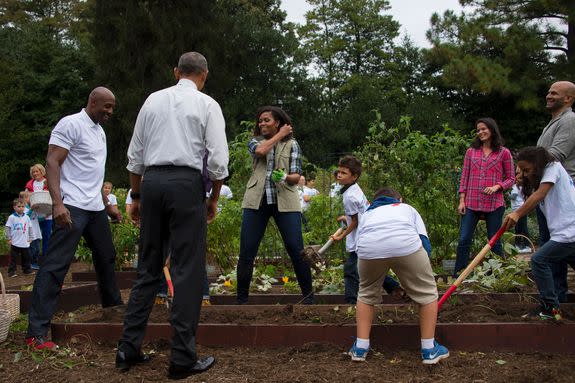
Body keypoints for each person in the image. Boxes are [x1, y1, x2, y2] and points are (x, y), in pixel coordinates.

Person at [119, 52, 228, 379]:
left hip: (151, 183)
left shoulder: (152, 101)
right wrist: (213, 198)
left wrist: (136, 196)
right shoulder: (208, 104)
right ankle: (181, 358)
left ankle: (128, 347)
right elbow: (219, 161)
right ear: (204, 75)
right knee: (187, 269)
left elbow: (135, 156)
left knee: (149, 266)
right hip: (185, 185)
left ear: (176, 71)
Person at [26, 87, 123, 351]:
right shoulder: (70, 124)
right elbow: (52, 162)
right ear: (93, 101)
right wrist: (58, 204)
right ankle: (36, 333)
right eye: (107, 106)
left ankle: (113, 312)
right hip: (71, 206)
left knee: (106, 256)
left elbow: (94, 176)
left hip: (94, 209)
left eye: (112, 107)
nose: (110, 112)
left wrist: (107, 206)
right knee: (56, 265)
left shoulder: (100, 133)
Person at [348, 187, 448, 364]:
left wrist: (388, 282)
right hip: (406, 245)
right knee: (427, 294)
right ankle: (429, 350)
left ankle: (360, 348)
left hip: (368, 252)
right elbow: (424, 245)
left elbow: (363, 249)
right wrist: (417, 278)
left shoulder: (366, 215)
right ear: (399, 200)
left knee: (365, 294)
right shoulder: (407, 209)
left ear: (373, 203)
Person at [237, 106, 313, 305]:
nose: (262, 123)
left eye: (266, 120)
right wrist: (280, 134)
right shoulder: (255, 142)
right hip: (256, 201)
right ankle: (241, 302)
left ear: (277, 122)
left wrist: (286, 176)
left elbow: (297, 176)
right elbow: (262, 151)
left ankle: (309, 300)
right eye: (260, 121)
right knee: (247, 251)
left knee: (297, 250)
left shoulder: (292, 144)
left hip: (285, 201)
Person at [503, 146, 575, 320]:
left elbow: (540, 195)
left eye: (527, 170)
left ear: (538, 164)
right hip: (564, 232)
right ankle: (552, 306)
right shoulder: (542, 176)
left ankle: (550, 307)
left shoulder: (553, 167)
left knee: (538, 260)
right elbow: (533, 196)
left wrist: (517, 213)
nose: (525, 174)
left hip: (569, 231)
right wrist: (521, 184)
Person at [331, 155, 400, 304]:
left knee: (351, 270)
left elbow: (355, 221)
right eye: (339, 172)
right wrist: (346, 218)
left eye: (344, 173)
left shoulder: (349, 196)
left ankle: (350, 301)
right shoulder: (354, 189)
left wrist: (341, 236)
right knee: (367, 268)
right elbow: (361, 211)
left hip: (361, 236)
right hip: (368, 230)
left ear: (354, 176)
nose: (339, 175)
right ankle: (394, 287)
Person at [454, 117, 514, 276]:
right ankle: (459, 273)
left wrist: (497, 186)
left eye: (483, 129)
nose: (480, 132)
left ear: (492, 129)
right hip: (471, 202)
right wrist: (462, 200)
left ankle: (498, 274)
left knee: (494, 241)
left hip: (494, 203)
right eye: (478, 130)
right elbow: (464, 177)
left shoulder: (504, 152)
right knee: (464, 239)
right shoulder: (471, 152)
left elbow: (511, 179)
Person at [536, 81, 575, 303]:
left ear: (568, 99)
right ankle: (557, 292)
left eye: (554, 93)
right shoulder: (553, 123)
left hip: (562, 193)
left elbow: (557, 154)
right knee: (550, 242)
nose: (548, 95)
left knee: (557, 244)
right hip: (549, 192)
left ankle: (556, 296)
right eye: (549, 91)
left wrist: (528, 163)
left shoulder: (570, 120)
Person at [25, 163, 53, 261]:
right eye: (33, 172)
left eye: (37, 171)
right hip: (34, 216)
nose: (35, 173)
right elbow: (26, 198)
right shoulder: (30, 184)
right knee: (34, 238)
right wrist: (30, 203)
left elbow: (54, 195)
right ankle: (34, 259)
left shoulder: (48, 182)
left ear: (42, 171)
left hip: (47, 215)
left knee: (47, 237)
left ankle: (46, 259)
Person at [5, 198, 33, 277]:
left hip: (25, 242)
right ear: (14, 207)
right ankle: (11, 272)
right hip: (15, 242)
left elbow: (30, 227)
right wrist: (9, 238)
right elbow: (7, 228)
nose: (21, 208)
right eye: (19, 206)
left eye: (23, 206)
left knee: (26, 257)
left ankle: (27, 270)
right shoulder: (12, 217)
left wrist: (31, 237)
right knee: (13, 258)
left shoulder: (27, 217)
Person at [509, 166, 531, 253]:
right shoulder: (523, 187)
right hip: (521, 209)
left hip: (518, 210)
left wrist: (507, 195)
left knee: (520, 228)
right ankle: (520, 245)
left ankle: (525, 245)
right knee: (520, 228)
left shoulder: (515, 187)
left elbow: (513, 196)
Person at [20, 191, 42, 270]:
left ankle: (34, 263)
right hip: (30, 233)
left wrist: (46, 215)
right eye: (30, 197)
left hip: (37, 232)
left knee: (37, 249)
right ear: (25, 199)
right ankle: (30, 263)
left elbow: (38, 219)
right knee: (32, 249)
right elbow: (26, 217)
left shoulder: (33, 208)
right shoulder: (24, 209)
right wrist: (31, 209)